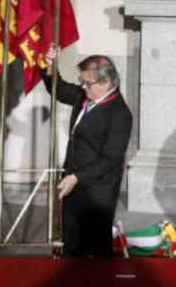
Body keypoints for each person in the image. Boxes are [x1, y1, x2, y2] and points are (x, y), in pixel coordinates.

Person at [43, 46, 133, 257]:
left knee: (93, 249)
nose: (82, 86)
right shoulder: (85, 96)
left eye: (87, 83)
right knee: (70, 242)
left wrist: (77, 177)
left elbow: (110, 159)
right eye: (81, 81)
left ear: (105, 82)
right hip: (73, 181)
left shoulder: (120, 114)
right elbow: (59, 88)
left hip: (98, 192)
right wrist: (50, 66)